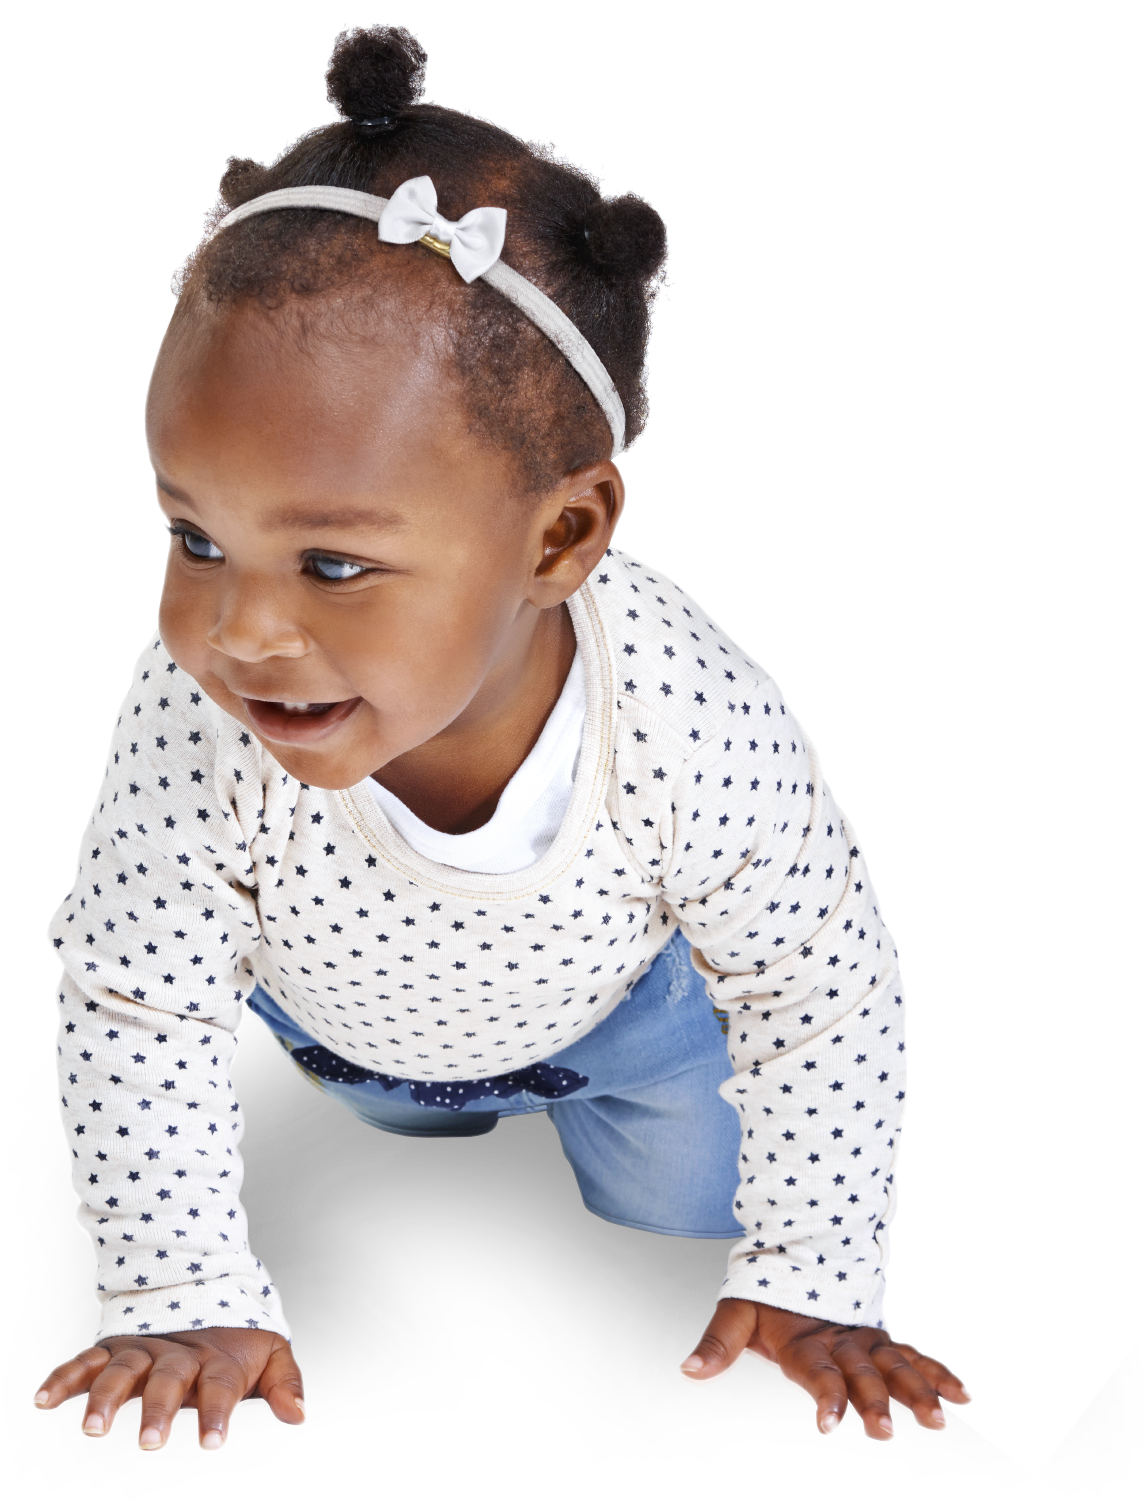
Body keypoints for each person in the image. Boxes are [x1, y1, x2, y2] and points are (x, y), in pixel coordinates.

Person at [33, 24, 973, 1459]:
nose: (241, 630)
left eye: (336, 564)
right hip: (340, 1040)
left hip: (635, 1038)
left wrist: (819, 1271)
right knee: (399, 1143)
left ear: (561, 534)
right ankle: (419, 1114)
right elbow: (141, 1002)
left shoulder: (683, 712)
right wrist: (176, 1282)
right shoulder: (191, 717)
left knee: (685, 1213)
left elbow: (816, 982)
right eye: (193, 533)